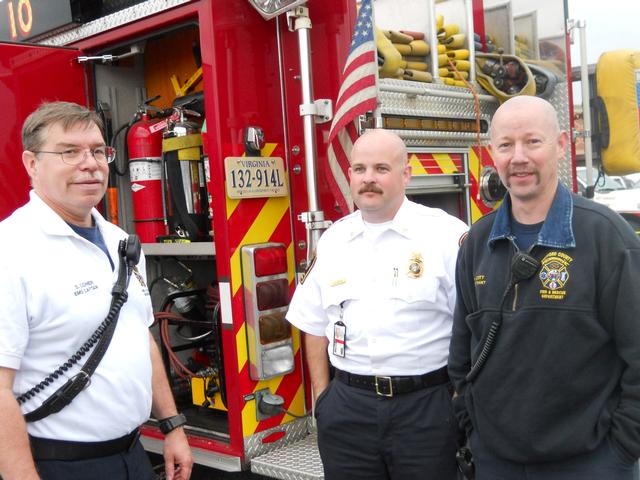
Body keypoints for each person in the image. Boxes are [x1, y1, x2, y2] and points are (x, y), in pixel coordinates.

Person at [448, 95, 640, 479]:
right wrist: (475, 431)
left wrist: (621, 449)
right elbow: (461, 354)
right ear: (492, 153)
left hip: (592, 462)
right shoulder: (479, 242)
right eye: (506, 145)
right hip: (496, 462)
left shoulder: (605, 236)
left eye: (532, 141)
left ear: (562, 144)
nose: (518, 157)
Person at [0, 102, 193, 480]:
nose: (89, 163)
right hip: (57, 465)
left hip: (132, 454)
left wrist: (172, 425)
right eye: (69, 152)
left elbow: (139, 337)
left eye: (97, 150)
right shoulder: (11, 250)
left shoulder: (120, 241)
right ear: (31, 163)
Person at [287, 129, 468, 480]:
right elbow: (312, 324)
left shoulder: (445, 236)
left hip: (427, 408)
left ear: (406, 174)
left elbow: (473, 323)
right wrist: (324, 399)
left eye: (381, 168)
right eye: (360, 168)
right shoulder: (334, 239)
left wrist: (459, 397)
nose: (368, 178)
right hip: (348, 410)